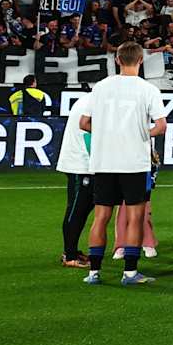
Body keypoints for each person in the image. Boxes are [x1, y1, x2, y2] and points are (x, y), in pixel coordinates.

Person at [79, 42, 169, 286]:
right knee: (135, 217)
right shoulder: (148, 89)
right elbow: (161, 127)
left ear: (117, 60)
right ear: (141, 60)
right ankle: (129, 272)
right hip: (134, 163)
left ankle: (94, 273)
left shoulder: (100, 87)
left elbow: (84, 123)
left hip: (104, 161)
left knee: (101, 217)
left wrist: (108, 133)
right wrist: (135, 134)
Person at [57, 93, 95, 268]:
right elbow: (89, 131)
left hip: (82, 162)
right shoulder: (94, 102)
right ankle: (70, 255)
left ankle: (71, 250)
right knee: (76, 209)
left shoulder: (88, 99)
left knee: (82, 209)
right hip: (80, 164)